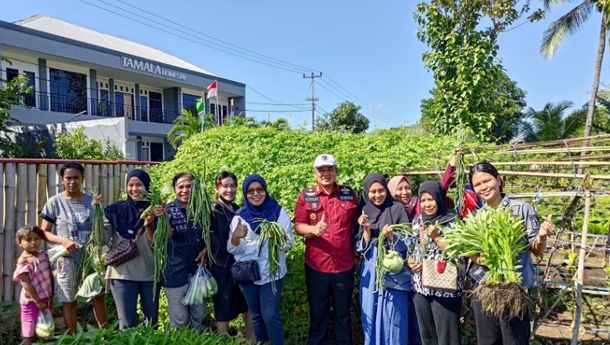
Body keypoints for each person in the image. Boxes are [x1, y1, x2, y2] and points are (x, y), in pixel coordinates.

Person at [468, 162, 554, 345]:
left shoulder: (521, 209)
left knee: (514, 341)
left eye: (487, 180)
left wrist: (542, 236)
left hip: (513, 290)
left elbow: (536, 249)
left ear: (498, 180)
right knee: (488, 342)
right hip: (485, 288)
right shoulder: (476, 216)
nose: (483, 187)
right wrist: (480, 258)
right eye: (477, 184)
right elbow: (470, 252)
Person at [293, 154, 360, 345]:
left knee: (343, 314)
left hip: (344, 266)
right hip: (316, 266)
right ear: (315, 173)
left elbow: (356, 223)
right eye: (321, 170)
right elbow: (298, 226)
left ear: (336, 172)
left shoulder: (348, 194)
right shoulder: (306, 195)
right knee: (318, 314)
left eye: (330, 169)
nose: (326, 173)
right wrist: (313, 229)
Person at [39, 161, 108, 333]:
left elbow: (101, 229)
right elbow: (43, 233)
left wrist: (98, 210)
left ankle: (106, 335)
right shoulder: (54, 203)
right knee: (69, 299)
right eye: (68, 178)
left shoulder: (91, 202)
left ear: (82, 179)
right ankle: (72, 337)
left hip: (91, 258)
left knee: (97, 296)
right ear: (62, 179)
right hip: (66, 259)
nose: (72, 182)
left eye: (76, 178)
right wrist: (63, 241)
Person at [228, 174, 294, 345]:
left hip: (272, 273)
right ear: (245, 193)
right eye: (250, 191)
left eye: (260, 189)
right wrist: (235, 237)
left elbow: (289, 244)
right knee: (256, 314)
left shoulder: (278, 212)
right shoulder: (240, 216)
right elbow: (234, 249)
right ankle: (263, 342)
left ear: (265, 190)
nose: (255, 194)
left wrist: (277, 237)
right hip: (249, 274)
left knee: (270, 314)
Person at [356, 173, 412, 345]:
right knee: (370, 311)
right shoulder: (363, 211)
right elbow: (359, 246)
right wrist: (365, 230)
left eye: (381, 190)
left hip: (393, 270)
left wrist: (391, 237)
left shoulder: (397, 209)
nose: (378, 195)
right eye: (373, 191)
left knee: (394, 313)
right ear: (366, 192)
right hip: (371, 270)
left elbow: (409, 240)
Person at [407, 181, 463, 345]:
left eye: (430, 199)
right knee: (427, 336)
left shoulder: (452, 222)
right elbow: (412, 248)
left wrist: (437, 238)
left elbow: (459, 255)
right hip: (420, 286)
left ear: (439, 199)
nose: (427, 204)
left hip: (444, 287)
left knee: (447, 337)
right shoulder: (417, 221)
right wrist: (411, 262)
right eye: (423, 200)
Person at [150, 172, 207, 329]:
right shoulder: (167, 209)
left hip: (198, 272)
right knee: (180, 319)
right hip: (174, 272)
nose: (185, 190)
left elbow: (211, 235)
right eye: (180, 187)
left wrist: (206, 250)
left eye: (189, 186)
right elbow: (165, 236)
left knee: (199, 315)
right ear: (174, 189)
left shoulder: (203, 208)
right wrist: (163, 218)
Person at [104, 169, 158, 330]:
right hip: (122, 273)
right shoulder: (115, 210)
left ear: (147, 186)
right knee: (126, 323)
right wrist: (97, 215)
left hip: (150, 272)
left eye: (139, 185)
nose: (135, 189)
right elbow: (102, 238)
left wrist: (150, 224)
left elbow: (157, 244)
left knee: (152, 322)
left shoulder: (155, 209)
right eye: (131, 185)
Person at [207, 171, 253, 338]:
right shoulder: (212, 209)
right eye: (225, 186)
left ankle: (252, 341)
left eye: (233, 186)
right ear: (217, 188)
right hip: (221, 267)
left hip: (240, 265)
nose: (229, 190)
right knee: (223, 311)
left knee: (248, 306)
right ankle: (223, 341)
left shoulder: (237, 208)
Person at [13, 225, 53, 345]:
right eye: (28, 239)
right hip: (31, 302)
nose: (33, 243)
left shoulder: (42, 255)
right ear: (19, 243)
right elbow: (27, 285)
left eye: (36, 239)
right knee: (28, 333)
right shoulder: (23, 263)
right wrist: (37, 302)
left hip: (46, 300)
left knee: (45, 330)